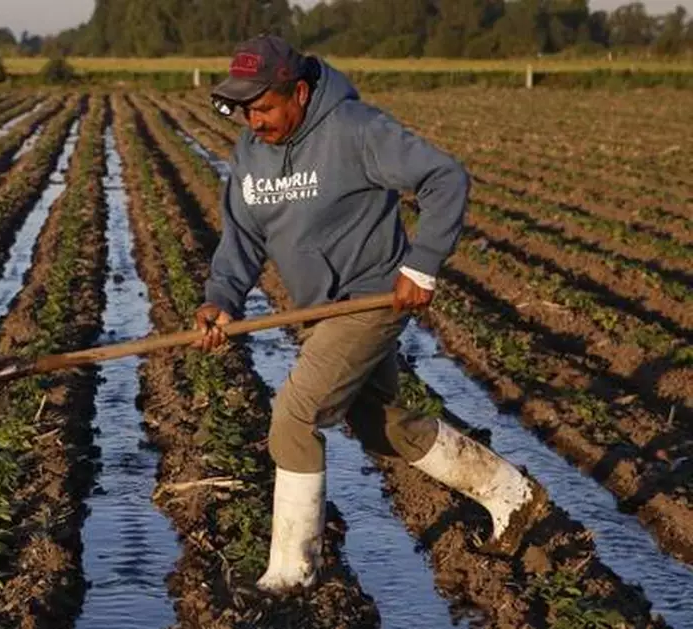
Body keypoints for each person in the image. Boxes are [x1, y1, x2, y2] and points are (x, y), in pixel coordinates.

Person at [191, 35, 548, 593]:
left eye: (262, 107)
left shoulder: (355, 129)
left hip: (370, 298)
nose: (252, 121)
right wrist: (220, 301)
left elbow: (445, 177)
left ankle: (292, 575)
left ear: (300, 92)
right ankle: (510, 492)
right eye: (243, 109)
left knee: (295, 417)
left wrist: (421, 265)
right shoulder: (248, 155)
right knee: (376, 423)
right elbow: (240, 242)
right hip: (319, 311)